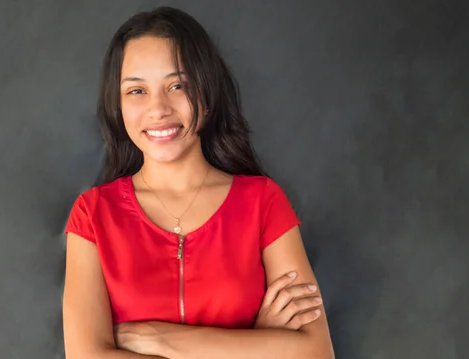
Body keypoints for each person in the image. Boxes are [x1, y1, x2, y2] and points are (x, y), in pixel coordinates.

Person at [62, 6, 334, 359]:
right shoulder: (93, 215)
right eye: (136, 91)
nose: (158, 109)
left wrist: (159, 339)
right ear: (118, 105)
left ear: (207, 93)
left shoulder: (263, 202)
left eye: (178, 85)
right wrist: (258, 342)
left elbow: (317, 353)